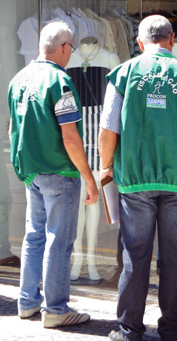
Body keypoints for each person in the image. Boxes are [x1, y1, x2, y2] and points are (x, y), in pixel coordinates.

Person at [99, 15, 177, 341]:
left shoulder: (123, 75)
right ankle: (170, 330)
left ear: (139, 42)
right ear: (172, 39)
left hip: (135, 181)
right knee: (175, 258)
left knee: (135, 256)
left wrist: (105, 167)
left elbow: (108, 129)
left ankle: (129, 330)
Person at [7, 21, 99, 328]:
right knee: (59, 241)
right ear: (63, 47)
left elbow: (13, 129)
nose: (71, 54)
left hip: (31, 171)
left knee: (34, 237)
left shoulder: (19, 79)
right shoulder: (60, 82)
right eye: (71, 48)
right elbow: (70, 137)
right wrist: (88, 176)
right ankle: (56, 309)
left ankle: (27, 302)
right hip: (59, 171)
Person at [66, 36, 120, 282]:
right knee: (78, 206)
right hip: (77, 134)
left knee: (94, 205)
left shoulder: (110, 58)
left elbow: (119, 101)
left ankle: (91, 261)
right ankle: (77, 260)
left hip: (100, 134)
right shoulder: (70, 59)